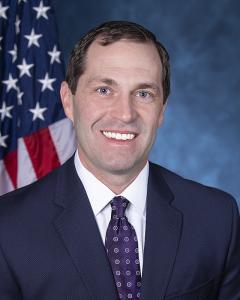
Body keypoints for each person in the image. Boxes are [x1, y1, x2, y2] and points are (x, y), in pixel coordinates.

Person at [0, 21, 239, 300]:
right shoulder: (8, 228)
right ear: (68, 100)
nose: (125, 114)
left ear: (162, 109)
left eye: (143, 93)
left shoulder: (217, 218)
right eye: (104, 90)